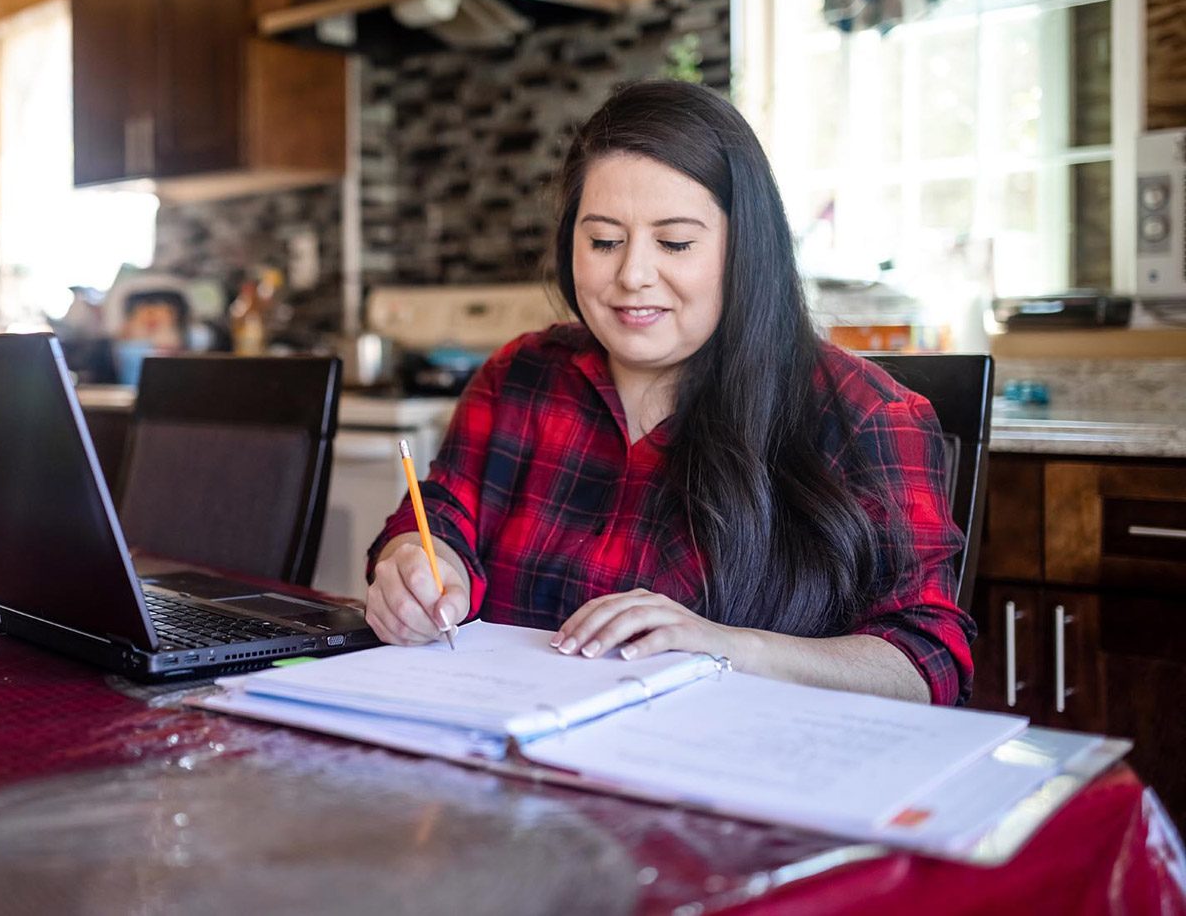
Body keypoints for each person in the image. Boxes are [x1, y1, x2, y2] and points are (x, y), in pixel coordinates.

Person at [366, 81, 974, 706]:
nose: (632, 275)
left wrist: (729, 647)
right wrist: (418, 558)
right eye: (603, 241)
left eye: (676, 243)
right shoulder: (520, 378)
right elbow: (439, 518)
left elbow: (926, 663)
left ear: (744, 248)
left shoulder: (863, 415)